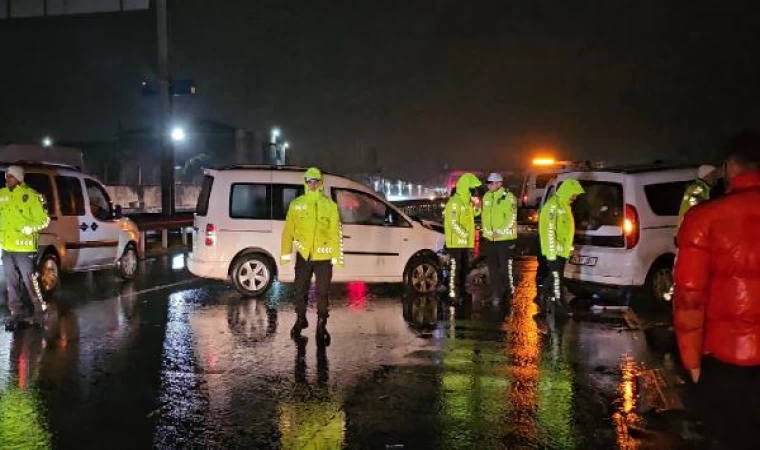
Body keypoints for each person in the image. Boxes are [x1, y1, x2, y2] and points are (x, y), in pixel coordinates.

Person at [673, 130, 760, 450]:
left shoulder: (705, 218)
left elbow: (689, 298)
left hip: (726, 361)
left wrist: (691, 360)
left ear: (731, 166)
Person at [280, 167, 343, 344]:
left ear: (321, 183)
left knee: (322, 293)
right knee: (300, 290)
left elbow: (334, 232)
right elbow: (288, 231)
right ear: (305, 182)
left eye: (316, 181)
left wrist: (336, 256)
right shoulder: (296, 204)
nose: (313, 184)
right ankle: (301, 319)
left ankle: (322, 324)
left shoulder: (329, 206)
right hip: (304, 256)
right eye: (309, 181)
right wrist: (285, 253)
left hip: (323, 258)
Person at [0, 165, 50, 331]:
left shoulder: (32, 196)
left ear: (19, 178)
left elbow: (44, 220)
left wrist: (30, 228)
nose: (7, 179)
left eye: (11, 176)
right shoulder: (2, 195)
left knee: (31, 281)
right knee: (11, 283)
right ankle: (16, 313)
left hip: (25, 247)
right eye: (6, 176)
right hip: (7, 247)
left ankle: (40, 313)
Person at [536, 179, 584, 318]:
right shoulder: (553, 206)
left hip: (561, 250)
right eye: (573, 194)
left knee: (555, 276)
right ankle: (560, 304)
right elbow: (548, 231)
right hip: (554, 251)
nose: (575, 197)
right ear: (567, 191)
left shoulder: (565, 206)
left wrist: (568, 248)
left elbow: (566, 230)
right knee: (558, 279)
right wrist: (551, 252)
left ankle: (541, 296)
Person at [443, 173, 482, 300]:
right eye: (471, 188)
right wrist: (464, 234)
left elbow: (475, 214)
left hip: (465, 243)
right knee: (456, 270)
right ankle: (453, 295)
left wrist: (477, 207)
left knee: (465, 268)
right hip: (455, 243)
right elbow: (452, 223)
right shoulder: (454, 203)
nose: (474, 191)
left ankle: (462, 292)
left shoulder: (467, 202)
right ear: (465, 187)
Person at [481, 172, 518, 302]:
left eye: (491, 183)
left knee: (505, 268)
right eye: (488, 183)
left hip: (505, 239)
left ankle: (508, 291)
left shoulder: (508, 197)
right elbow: (483, 215)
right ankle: (496, 293)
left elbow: (511, 218)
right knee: (492, 268)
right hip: (490, 239)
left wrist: (500, 232)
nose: (489, 186)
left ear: (499, 183)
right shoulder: (486, 197)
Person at [676, 164, 719, 234]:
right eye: (714, 174)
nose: (716, 177)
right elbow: (692, 201)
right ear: (708, 175)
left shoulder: (703, 188)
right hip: (688, 230)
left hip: (688, 229)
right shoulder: (698, 188)